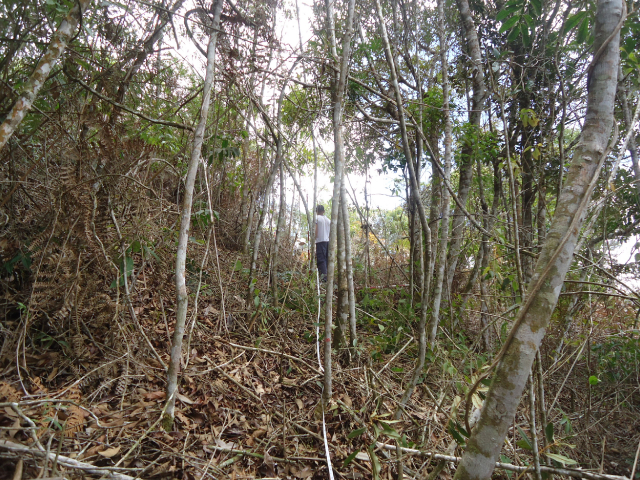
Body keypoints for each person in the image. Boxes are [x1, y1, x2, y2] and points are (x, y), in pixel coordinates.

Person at [315, 205, 330, 282]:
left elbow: (316, 230)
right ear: (323, 211)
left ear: (316, 211)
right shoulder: (328, 220)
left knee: (321, 260)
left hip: (320, 241)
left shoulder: (316, 218)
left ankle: (323, 279)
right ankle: (327, 277)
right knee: (326, 260)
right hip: (327, 241)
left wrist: (314, 239)